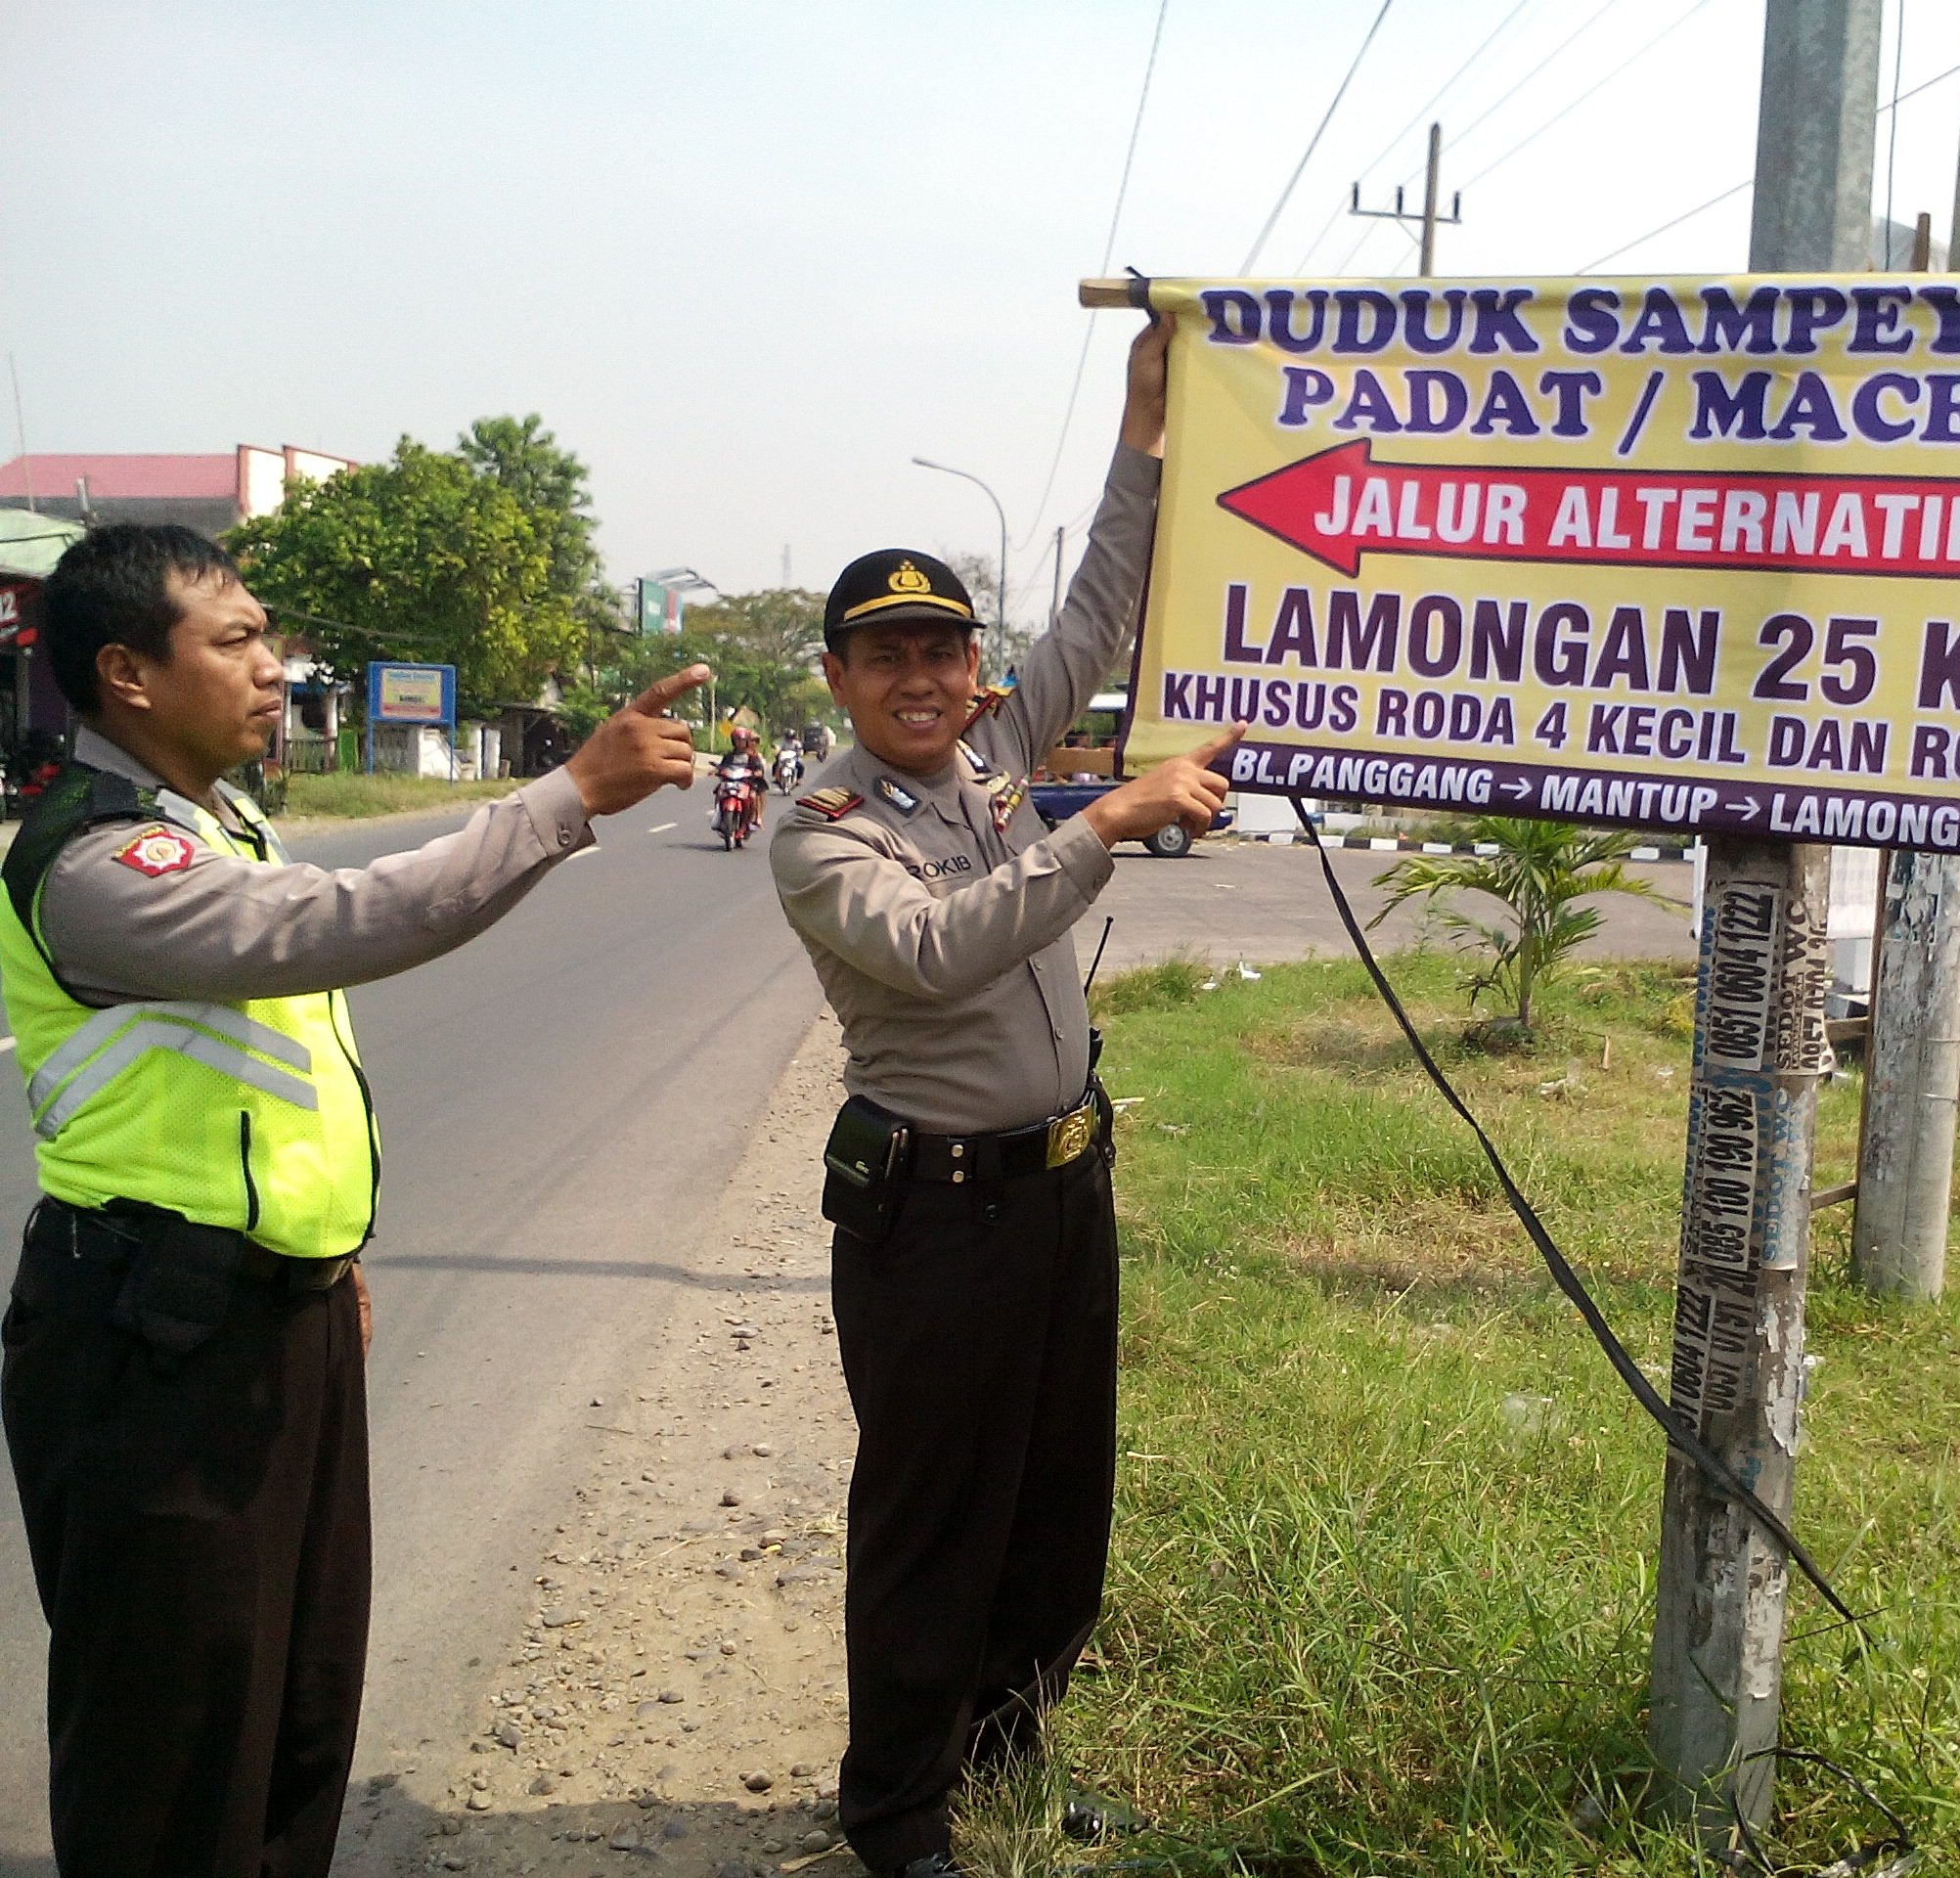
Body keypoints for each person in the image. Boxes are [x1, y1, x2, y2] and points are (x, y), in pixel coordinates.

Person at [0, 522, 704, 1878]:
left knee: (294, 1713)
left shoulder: (220, 822)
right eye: (237, 640)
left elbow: (272, 1079)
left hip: (278, 1315)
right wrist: (564, 797)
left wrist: (327, 1253)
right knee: (172, 1745)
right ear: (127, 675)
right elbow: (338, 926)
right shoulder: (95, 863)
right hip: (151, 1349)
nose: (275, 667)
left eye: (270, 636)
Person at [771, 314, 1239, 1878]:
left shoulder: (991, 759)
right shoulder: (823, 830)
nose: (922, 677)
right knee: (932, 1523)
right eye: (885, 654)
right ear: (839, 676)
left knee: (1055, 1504)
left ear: (975, 673)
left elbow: (1104, 600)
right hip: (936, 1217)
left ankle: (1006, 1761)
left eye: (944, 652)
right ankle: (898, 1816)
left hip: (1059, 1190)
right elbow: (937, 951)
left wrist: (1146, 423)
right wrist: (1104, 819)